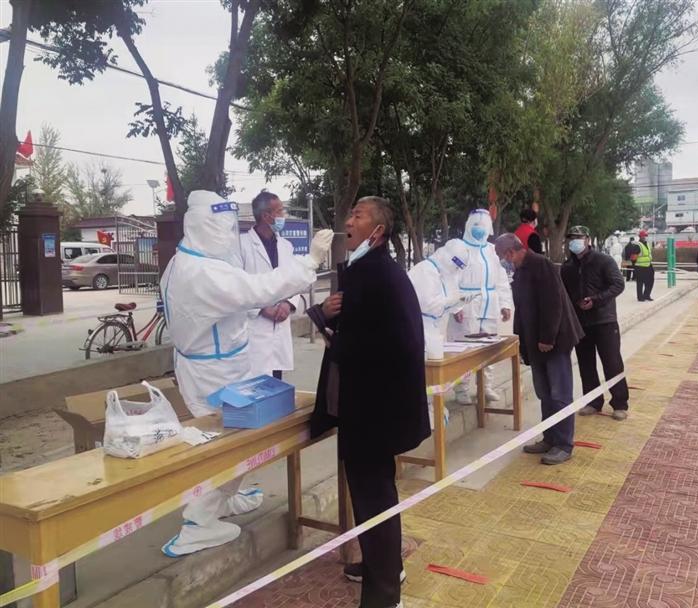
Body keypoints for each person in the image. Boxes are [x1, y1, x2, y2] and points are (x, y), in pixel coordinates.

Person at [159, 190, 333, 557]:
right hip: (215, 373)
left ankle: (225, 497)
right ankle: (198, 521)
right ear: (206, 227)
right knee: (232, 443)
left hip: (215, 365)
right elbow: (258, 289)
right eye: (223, 229)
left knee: (232, 440)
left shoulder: (186, 260)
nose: (228, 236)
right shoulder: (202, 273)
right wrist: (311, 261)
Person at [309, 196, 430, 608]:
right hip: (378, 408)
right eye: (350, 214)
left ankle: (383, 596)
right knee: (376, 494)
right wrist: (325, 315)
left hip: (372, 411)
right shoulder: (374, 271)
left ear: (377, 231)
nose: (348, 220)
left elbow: (360, 343)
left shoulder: (372, 274)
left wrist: (327, 324)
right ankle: (386, 567)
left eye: (358, 215)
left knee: (373, 497)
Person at [495, 233, 584, 465]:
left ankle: (564, 444)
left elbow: (553, 304)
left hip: (553, 342)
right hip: (536, 343)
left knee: (559, 393)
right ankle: (550, 437)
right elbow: (522, 310)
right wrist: (523, 343)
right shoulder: (520, 270)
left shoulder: (541, 264)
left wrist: (547, 338)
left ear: (510, 252)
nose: (503, 262)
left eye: (502, 257)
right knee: (544, 393)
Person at [561, 226, 630, 421]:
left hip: (604, 320)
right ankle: (593, 401)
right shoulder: (567, 267)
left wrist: (596, 300)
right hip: (581, 323)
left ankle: (620, 403)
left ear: (587, 239)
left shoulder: (603, 261)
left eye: (579, 237)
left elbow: (618, 284)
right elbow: (564, 293)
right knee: (586, 365)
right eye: (571, 238)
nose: (574, 241)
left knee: (612, 363)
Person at [450, 209, 513, 405]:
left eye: (483, 226)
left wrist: (505, 304)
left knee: (488, 347)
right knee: (463, 349)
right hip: (466, 304)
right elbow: (449, 278)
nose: (480, 229)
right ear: (468, 226)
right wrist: (455, 306)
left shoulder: (492, 251)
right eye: (476, 225)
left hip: (489, 305)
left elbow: (501, 279)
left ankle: (485, 387)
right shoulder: (458, 249)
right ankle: (461, 389)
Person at [408, 238, 471, 428]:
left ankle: (432, 409)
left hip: (433, 328)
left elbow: (446, 301)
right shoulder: (425, 271)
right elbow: (429, 305)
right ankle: (424, 412)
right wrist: (453, 300)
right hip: (419, 326)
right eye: (455, 264)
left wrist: (459, 303)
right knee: (424, 372)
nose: (456, 269)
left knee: (433, 373)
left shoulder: (444, 273)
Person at [241, 190, 302, 379]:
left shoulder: (286, 246)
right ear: (266, 216)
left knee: (276, 379)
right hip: (254, 329)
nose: (283, 215)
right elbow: (236, 285)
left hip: (280, 327)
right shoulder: (241, 245)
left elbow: (294, 280)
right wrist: (261, 308)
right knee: (254, 383)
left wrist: (288, 304)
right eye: (280, 211)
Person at [634, 230, 654, 301]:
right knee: (640, 282)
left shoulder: (647, 244)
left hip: (648, 265)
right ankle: (640, 297)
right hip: (640, 266)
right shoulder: (637, 245)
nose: (645, 237)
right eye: (644, 236)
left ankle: (646, 295)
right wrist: (635, 265)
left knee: (650, 281)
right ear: (640, 236)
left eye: (645, 236)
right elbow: (633, 257)